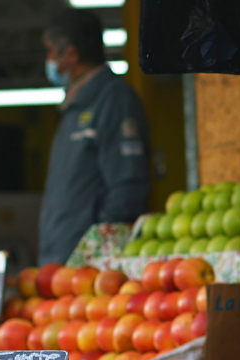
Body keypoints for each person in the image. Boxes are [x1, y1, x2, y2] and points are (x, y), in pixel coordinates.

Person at [39, 10, 150, 264]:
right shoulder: (73, 108)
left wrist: (96, 254)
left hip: (89, 266)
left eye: (51, 52)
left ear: (71, 54)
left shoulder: (114, 99)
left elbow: (127, 186)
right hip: (60, 261)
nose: (48, 60)